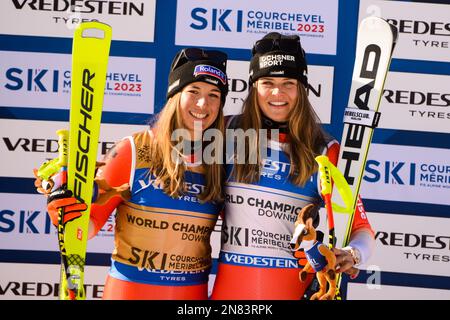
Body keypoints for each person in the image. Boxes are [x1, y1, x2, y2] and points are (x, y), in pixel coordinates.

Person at [34, 47, 229, 299]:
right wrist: (65, 202)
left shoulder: (221, 160)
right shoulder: (133, 149)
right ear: (174, 96)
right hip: (131, 290)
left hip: (190, 294)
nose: (203, 104)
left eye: (214, 95)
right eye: (193, 91)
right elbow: (88, 226)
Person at [210, 32, 374, 300]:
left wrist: (352, 253)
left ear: (302, 88)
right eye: (267, 82)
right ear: (254, 86)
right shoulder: (225, 132)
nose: (278, 93)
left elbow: (361, 229)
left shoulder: (324, 150)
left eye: (289, 82)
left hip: (295, 288)